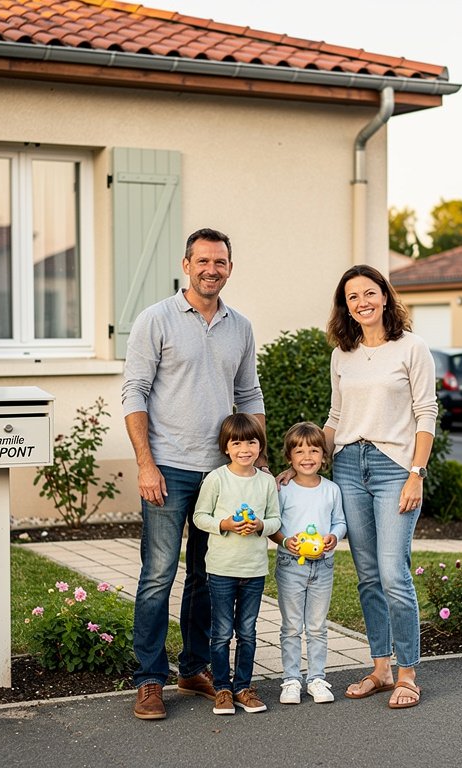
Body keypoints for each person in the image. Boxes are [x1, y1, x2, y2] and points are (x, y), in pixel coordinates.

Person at [121, 227, 268, 720]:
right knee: (158, 576)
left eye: (220, 262)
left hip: (220, 475)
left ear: (230, 267)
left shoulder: (240, 326)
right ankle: (149, 680)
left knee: (208, 577)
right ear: (186, 264)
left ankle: (193, 667)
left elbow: (249, 396)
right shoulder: (155, 319)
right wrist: (145, 463)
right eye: (202, 261)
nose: (211, 269)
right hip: (166, 469)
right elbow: (134, 392)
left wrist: (257, 460)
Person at [324, 264, 437, 709]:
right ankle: (381, 668)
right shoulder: (342, 354)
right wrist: (306, 462)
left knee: (394, 573)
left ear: (385, 297)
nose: (362, 302)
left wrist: (417, 473)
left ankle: (408, 673)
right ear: (346, 307)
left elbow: (426, 413)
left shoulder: (412, 348)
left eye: (369, 293)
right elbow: (336, 418)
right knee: (368, 575)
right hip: (349, 465)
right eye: (353, 297)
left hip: (395, 468)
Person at [192, 413, 281, 715]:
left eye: (252, 442)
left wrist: (259, 526)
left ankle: (243, 686)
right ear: (226, 447)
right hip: (221, 569)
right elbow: (200, 517)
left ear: (260, 446)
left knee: (247, 632)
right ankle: (222, 689)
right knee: (221, 632)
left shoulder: (266, 482)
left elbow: (275, 519)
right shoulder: (217, 479)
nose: (245, 449)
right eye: (237, 443)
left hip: (254, 570)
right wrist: (226, 524)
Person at [268, 421, 346, 705]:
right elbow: (273, 523)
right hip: (291, 565)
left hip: (323, 566)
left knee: (317, 626)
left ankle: (316, 678)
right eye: (299, 452)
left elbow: (340, 521)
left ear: (324, 456)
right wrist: (285, 540)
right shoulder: (283, 489)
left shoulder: (331, 490)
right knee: (291, 626)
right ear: (289, 458)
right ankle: (291, 679)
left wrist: (334, 537)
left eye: (314, 450)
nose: (308, 457)